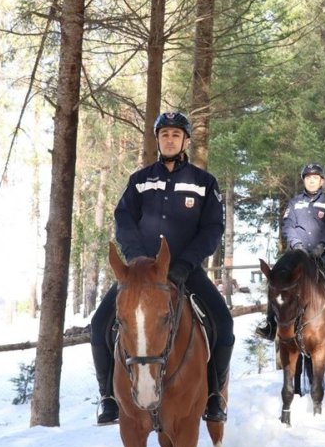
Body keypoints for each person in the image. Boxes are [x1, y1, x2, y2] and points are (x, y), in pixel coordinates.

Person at [90, 111, 235, 426]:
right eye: (164, 134)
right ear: (157, 140)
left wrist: (184, 264)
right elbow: (124, 220)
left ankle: (213, 397)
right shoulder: (139, 181)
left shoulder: (204, 183)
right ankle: (108, 398)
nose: (169, 140)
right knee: (99, 324)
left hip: (185, 270)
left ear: (185, 141)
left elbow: (211, 230)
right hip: (141, 274)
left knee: (223, 325)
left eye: (175, 135)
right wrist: (137, 259)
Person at [255, 163, 325, 342]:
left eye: (315, 178)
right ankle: (270, 325)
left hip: (324, 253)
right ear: (303, 180)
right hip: (297, 253)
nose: (311, 181)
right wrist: (296, 244)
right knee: (276, 281)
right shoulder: (294, 203)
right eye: (308, 178)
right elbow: (288, 226)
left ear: (322, 181)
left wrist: (323, 245)